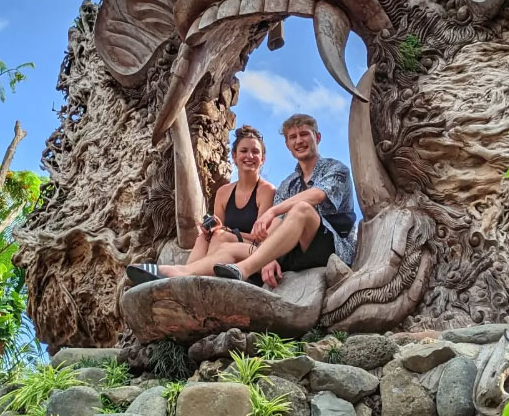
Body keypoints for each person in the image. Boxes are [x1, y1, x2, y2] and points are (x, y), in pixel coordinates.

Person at [212, 113, 356, 288]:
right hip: (294, 253)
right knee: (227, 245)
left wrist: (273, 210)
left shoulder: (337, 169)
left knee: (301, 209)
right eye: (292, 137)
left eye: (304, 134)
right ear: (287, 145)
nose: (299, 141)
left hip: (331, 249)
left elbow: (317, 195)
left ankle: (244, 269)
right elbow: (276, 224)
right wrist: (268, 257)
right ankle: (183, 275)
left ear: (317, 138)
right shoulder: (288, 184)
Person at [126, 125, 275, 283]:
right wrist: (211, 227)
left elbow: (259, 237)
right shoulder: (224, 192)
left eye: (255, 152)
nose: (249, 156)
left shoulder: (267, 190)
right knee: (206, 236)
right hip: (224, 246)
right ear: (234, 156)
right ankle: (187, 280)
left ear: (263, 159)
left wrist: (226, 231)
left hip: (253, 250)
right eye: (244, 151)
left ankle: (183, 273)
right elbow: (218, 227)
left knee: (219, 235)